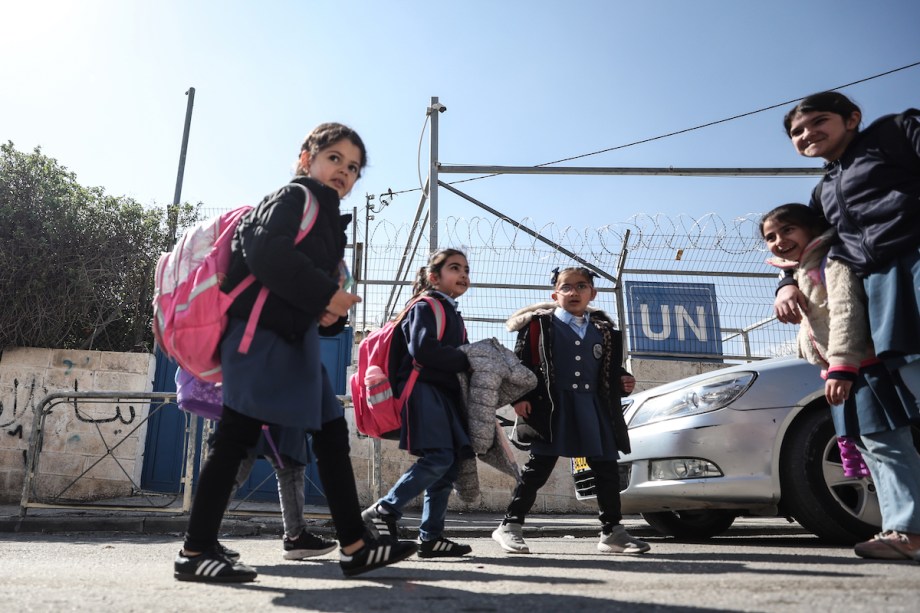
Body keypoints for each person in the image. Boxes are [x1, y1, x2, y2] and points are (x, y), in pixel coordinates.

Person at [174, 123, 417, 583]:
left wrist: (331, 314)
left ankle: (356, 546)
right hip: (259, 337)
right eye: (335, 159)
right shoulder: (293, 197)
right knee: (236, 437)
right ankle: (195, 551)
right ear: (307, 158)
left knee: (331, 435)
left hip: (295, 342)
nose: (344, 171)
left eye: (353, 168)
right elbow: (265, 251)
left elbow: (311, 292)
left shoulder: (328, 222)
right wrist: (326, 294)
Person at [774, 92, 920, 560]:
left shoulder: (895, 133)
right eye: (797, 131)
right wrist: (785, 284)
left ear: (852, 118)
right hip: (878, 288)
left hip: (914, 261)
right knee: (892, 421)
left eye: (819, 121)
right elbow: (807, 245)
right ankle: (908, 531)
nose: (807, 134)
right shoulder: (823, 191)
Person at [491, 266, 649, 555]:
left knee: (606, 468)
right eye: (566, 287)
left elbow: (610, 368)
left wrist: (622, 380)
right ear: (555, 295)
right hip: (553, 406)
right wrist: (519, 398)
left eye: (581, 286)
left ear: (592, 293)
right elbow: (520, 364)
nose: (573, 292)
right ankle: (509, 525)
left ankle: (612, 532)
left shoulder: (604, 330)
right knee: (539, 467)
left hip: (594, 406)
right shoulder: (539, 325)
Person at [361, 248, 475, 559]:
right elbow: (423, 350)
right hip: (423, 391)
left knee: (448, 465)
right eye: (455, 268)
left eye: (466, 269)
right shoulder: (426, 306)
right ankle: (384, 510)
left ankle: (432, 538)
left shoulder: (451, 312)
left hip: (444, 395)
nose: (463, 274)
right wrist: (468, 359)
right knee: (438, 457)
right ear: (434, 277)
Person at [230, 427, 338, 560]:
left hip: (252, 418)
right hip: (281, 419)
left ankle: (205, 535)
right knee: (290, 467)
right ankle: (296, 537)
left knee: (236, 468)